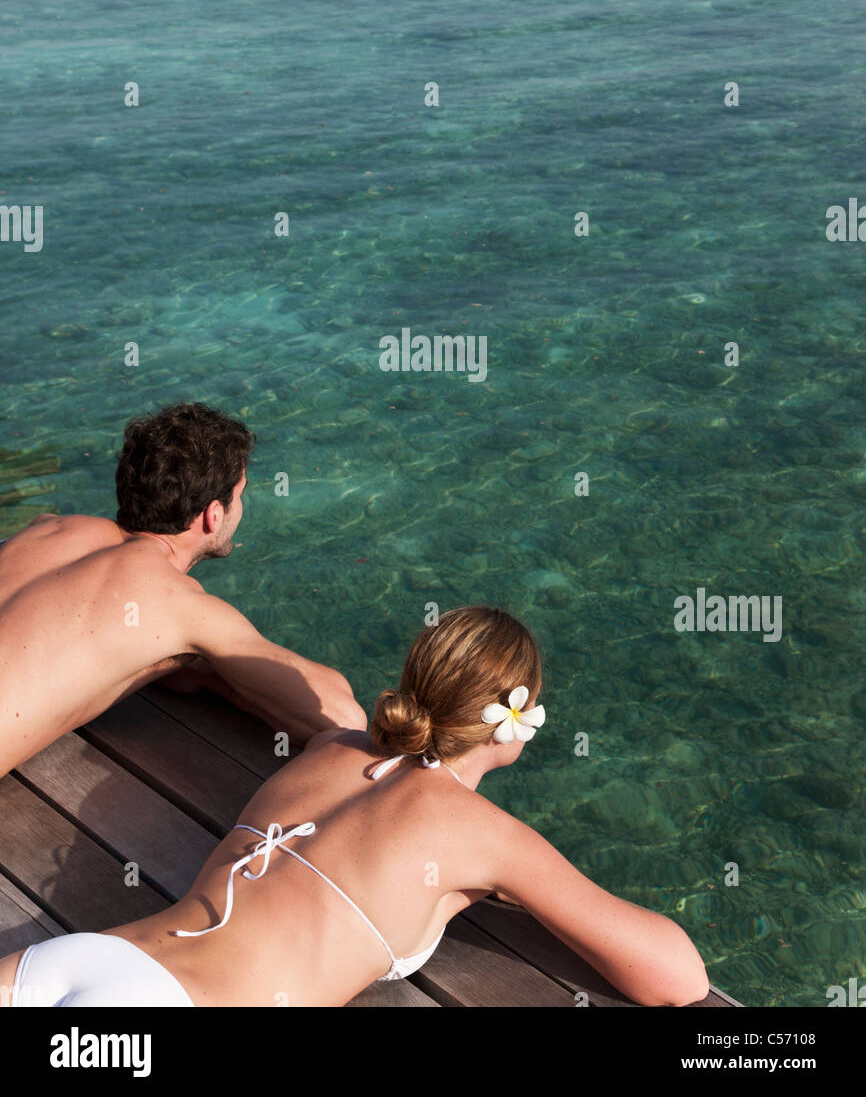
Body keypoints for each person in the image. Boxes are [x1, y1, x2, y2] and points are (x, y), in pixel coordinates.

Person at [0, 607, 709, 1008]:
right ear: (511, 725)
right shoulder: (487, 837)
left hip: (86, 957)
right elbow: (678, 978)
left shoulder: (332, 748)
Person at [0, 402, 365, 781]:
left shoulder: (47, 528)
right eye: (239, 494)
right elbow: (342, 717)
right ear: (214, 514)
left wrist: (183, 664)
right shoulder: (179, 605)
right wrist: (198, 663)